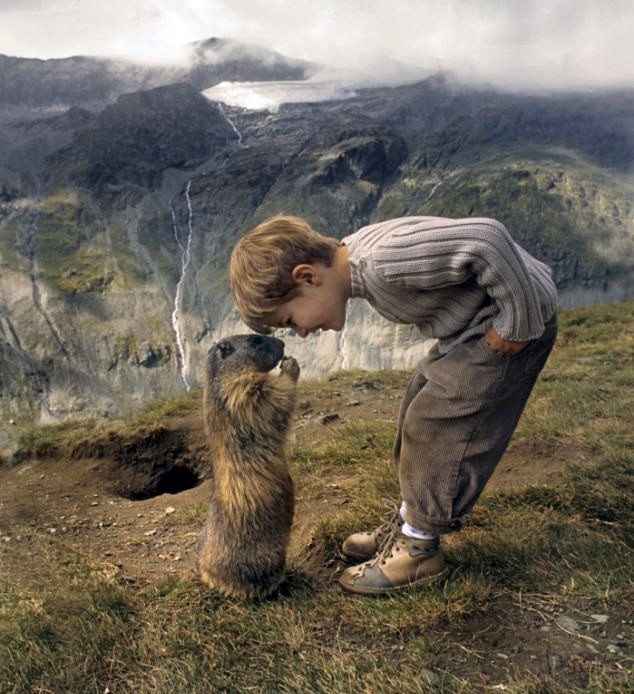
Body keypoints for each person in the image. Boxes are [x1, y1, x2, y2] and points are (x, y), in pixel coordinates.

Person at [230, 214, 558, 596]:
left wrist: (517, 322)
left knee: (435, 425)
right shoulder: (358, 261)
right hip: (472, 327)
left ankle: (420, 548)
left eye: (290, 320)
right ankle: (409, 524)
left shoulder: (384, 261)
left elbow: (486, 237)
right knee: (415, 409)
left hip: (508, 325)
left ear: (307, 277)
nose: (301, 332)